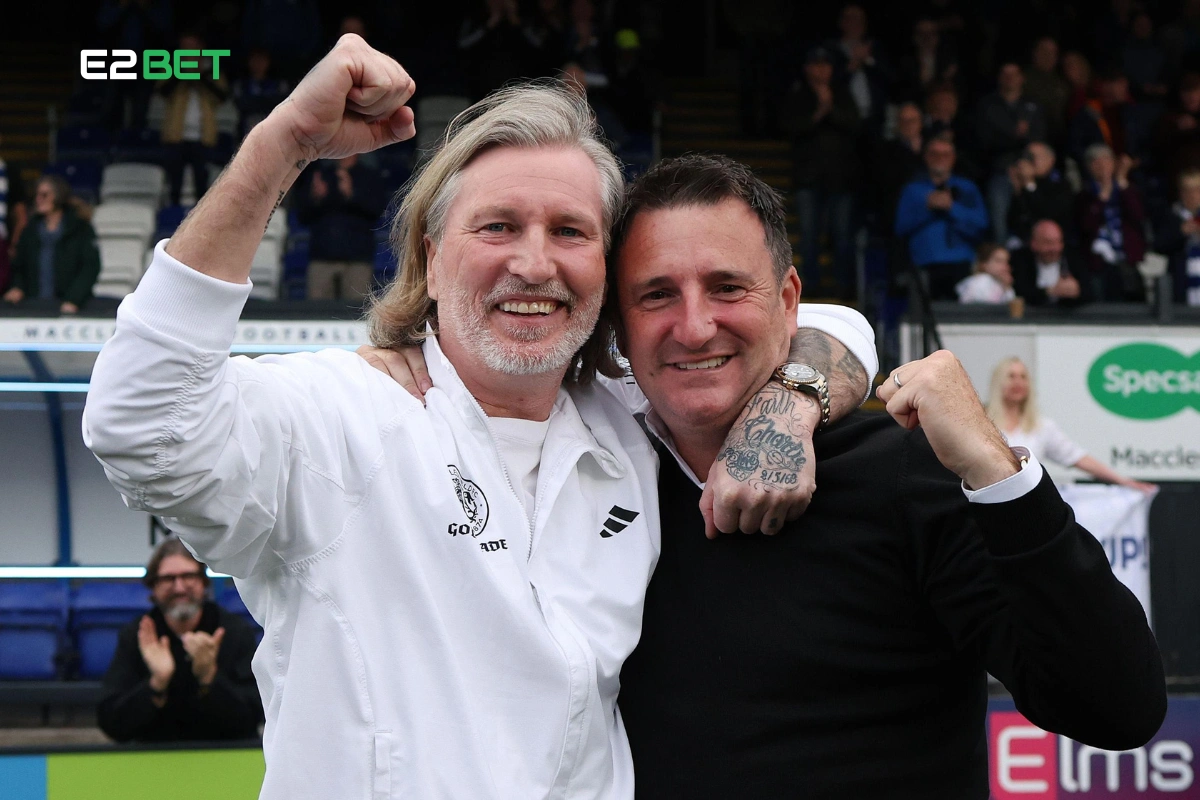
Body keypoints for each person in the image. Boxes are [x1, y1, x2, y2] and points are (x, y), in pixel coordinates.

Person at [83, 36, 872, 799]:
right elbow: (140, 424)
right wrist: (281, 144)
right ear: (431, 260)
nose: (534, 263)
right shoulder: (336, 415)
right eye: (498, 226)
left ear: (604, 271)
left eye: (570, 231)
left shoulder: (629, 421)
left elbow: (830, 325)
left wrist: (788, 403)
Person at [608, 155, 1165, 799]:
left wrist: (996, 469)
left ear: (788, 302)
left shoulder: (904, 478)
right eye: (656, 294)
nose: (694, 326)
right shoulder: (593, 475)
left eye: (728, 287)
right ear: (617, 321)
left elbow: (1116, 708)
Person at [97, 538, 262, 742]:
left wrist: (209, 677)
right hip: (153, 755)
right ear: (153, 587)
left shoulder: (234, 631)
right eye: (168, 579)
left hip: (223, 754)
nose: (179, 588)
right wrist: (156, 683)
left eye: (188, 576)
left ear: (203, 582)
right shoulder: (137, 635)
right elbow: (111, 724)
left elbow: (253, 718)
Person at [986, 357, 1156, 493]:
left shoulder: (1041, 427)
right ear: (998, 381)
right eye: (1011, 376)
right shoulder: (984, 424)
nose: (1018, 382)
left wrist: (1124, 481)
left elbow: (1077, 457)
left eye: (1023, 377)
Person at [782, 46, 861, 299]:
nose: (820, 70)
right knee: (808, 235)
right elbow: (790, 127)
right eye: (816, 64)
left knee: (842, 235)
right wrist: (818, 112)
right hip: (808, 179)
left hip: (840, 179)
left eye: (825, 64)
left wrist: (831, 107)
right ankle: (810, 284)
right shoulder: (798, 94)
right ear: (807, 68)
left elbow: (855, 124)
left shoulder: (842, 93)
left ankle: (843, 285)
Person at [894, 133, 989, 299]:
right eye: (934, 154)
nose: (940, 159)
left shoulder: (968, 188)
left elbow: (981, 224)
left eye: (945, 154)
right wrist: (928, 208)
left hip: (962, 263)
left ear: (953, 158)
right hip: (925, 265)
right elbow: (901, 227)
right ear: (926, 157)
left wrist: (952, 208)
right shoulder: (913, 190)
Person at [295, 154, 387, 301]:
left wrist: (352, 195)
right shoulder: (322, 175)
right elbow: (302, 216)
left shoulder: (369, 177)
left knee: (356, 308)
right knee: (317, 309)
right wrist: (316, 198)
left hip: (357, 258)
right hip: (322, 256)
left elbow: (377, 212)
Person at [3, 175, 100, 314]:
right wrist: (18, 287)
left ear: (59, 195)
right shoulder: (30, 230)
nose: (38, 199)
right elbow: (19, 266)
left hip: (70, 307)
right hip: (33, 306)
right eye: (37, 195)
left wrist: (74, 299)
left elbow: (90, 267)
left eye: (44, 195)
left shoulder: (80, 228)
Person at [975, 62, 1047, 241]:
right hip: (1001, 170)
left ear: (1022, 78)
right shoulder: (988, 105)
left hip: (1033, 169)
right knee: (998, 214)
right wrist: (1015, 135)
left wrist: (1027, 163)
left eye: (1014, 74)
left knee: (1045, 208)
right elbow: (984, 141)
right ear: (999, 78)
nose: (1010, 78)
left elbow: (1040, 139)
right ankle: (1001, 252)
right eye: (1005, 74)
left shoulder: (1033, 104)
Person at [159, 32, 230, 206]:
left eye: (192, 47)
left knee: (202, 184)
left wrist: (200, 75)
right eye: (184, 47)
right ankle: (174, 217)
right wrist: (183, 71)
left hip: (203, 136)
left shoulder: (212, 69)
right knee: (174, 184)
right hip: (176, 135)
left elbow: (222, 96)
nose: (188, 51)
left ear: (201, 48)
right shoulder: (170, 67)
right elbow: (163, 91)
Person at [1076, 142, 1147, 302]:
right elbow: (1086, 226)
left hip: (1127, 262)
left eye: (1106, 160)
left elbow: (1138, 216)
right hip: (1098, 265)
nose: (1102, 166)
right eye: (1096, 162)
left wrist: (1121, 181)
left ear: (1114, 163)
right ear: (1088, 167)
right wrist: (1102, 198)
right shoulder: (1084, 196)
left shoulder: (1128, 190)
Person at [1006, 141, 1074, 246]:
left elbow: (1045, 213)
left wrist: (1029, 183)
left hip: (1054, 243)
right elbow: (1013, 220)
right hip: (1025, 240)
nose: (1029, 162)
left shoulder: (1061, 184)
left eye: (1033, 157)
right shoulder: (1021, 182)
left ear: (1050, 160)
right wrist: (1017, 190)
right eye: (1027, 156)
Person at [1010, 219, 1091, 306]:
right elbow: (1018, 292)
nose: (1054, 249)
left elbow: (1090, 293)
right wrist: (1050, 291)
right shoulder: (1020, 260)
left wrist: (1077, 291)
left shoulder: (1074, 259)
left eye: (1058, 242)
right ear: (1034, 244)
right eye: (1048, 243)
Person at [1153, 167, 1200, 305]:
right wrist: (1181, 232)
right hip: (1181, 285)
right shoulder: (1171, 216)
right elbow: (1159, 245)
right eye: (1186, 190)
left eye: (1195, 190)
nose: (1191, 195)